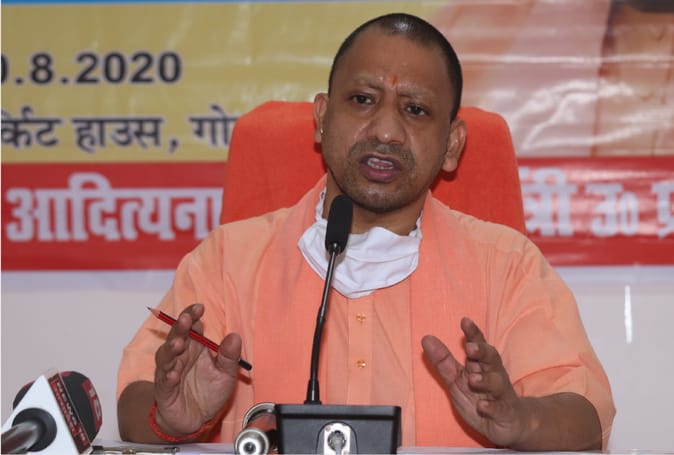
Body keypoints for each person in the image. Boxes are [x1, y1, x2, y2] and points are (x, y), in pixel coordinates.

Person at [117, 13, 615, 450]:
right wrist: (172, 417)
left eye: (415, 109)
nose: (385, 131)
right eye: (362, 99)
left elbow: (585, 419)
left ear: (451, 145)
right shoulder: (229, 259)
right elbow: (134, 404)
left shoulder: (505, 265)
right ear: (321, 118)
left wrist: (518, 420)